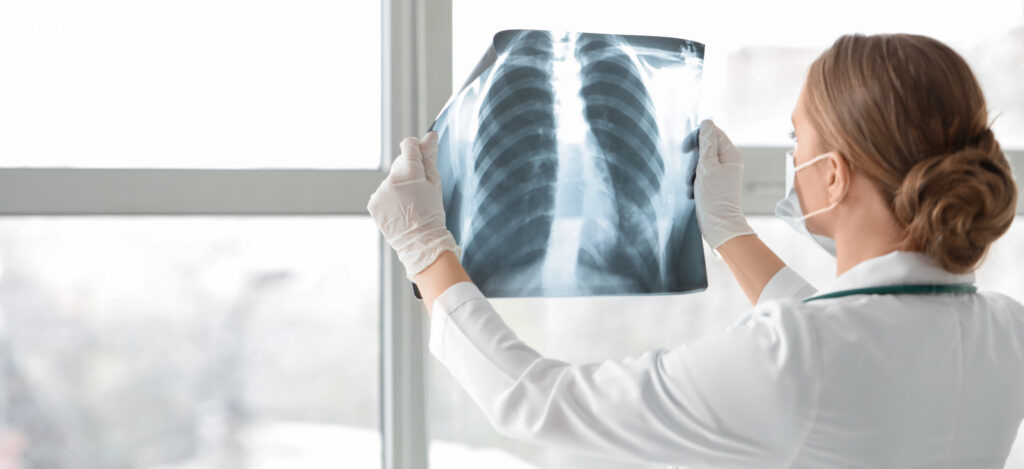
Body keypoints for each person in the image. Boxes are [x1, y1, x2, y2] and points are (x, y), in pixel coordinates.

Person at [367, 33, 1023, 468]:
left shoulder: (798, 357)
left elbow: (542, 404)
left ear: (835, 174)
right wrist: (729, 229)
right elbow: (862, 339)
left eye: (798, 139)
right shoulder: (1004, 330)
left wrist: (424, 248)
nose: (792, 160)